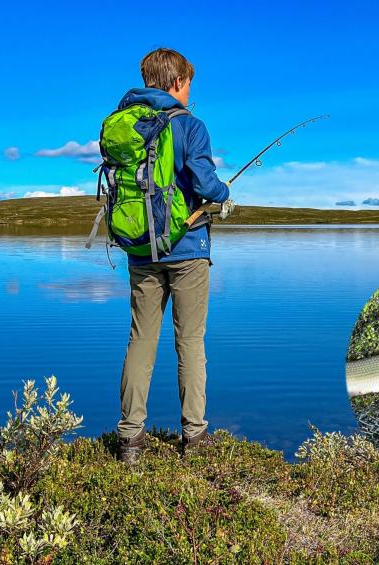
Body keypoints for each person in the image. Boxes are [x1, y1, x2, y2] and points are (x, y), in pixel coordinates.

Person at [116, 48, 230, 465]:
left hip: (140, 249)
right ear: (178, 82)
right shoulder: (190, 125)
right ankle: (194, 438)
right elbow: (205, 181)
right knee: (191, 342)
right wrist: (224, 194)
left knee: (140, 340)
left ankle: (129, 440)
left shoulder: (125, 125)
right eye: (189, 86)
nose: (189, 94)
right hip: (186, 248)